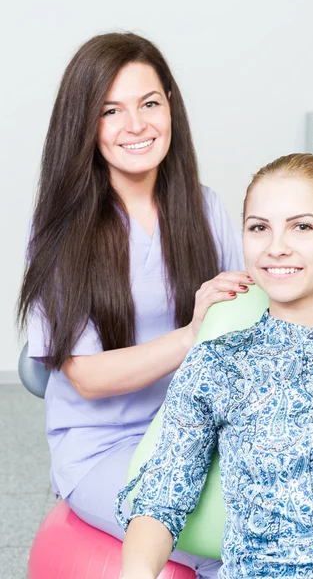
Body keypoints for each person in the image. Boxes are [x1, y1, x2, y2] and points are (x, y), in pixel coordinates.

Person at [17, 32, 249, 578]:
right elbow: (87, 378)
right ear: (85, 124)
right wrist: (193, 335)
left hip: (196, 428)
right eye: (111, 111)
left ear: (170, 104)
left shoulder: (204, 206)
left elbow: (247, 315)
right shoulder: (60, 229)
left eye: (149, 103)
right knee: (225, 536)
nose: (137, 125)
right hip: (103, 448)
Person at [116, 153, 313, 579]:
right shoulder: (218, 364)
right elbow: (160, 501)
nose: (276, 246)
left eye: (301, 226)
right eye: (259, 227)